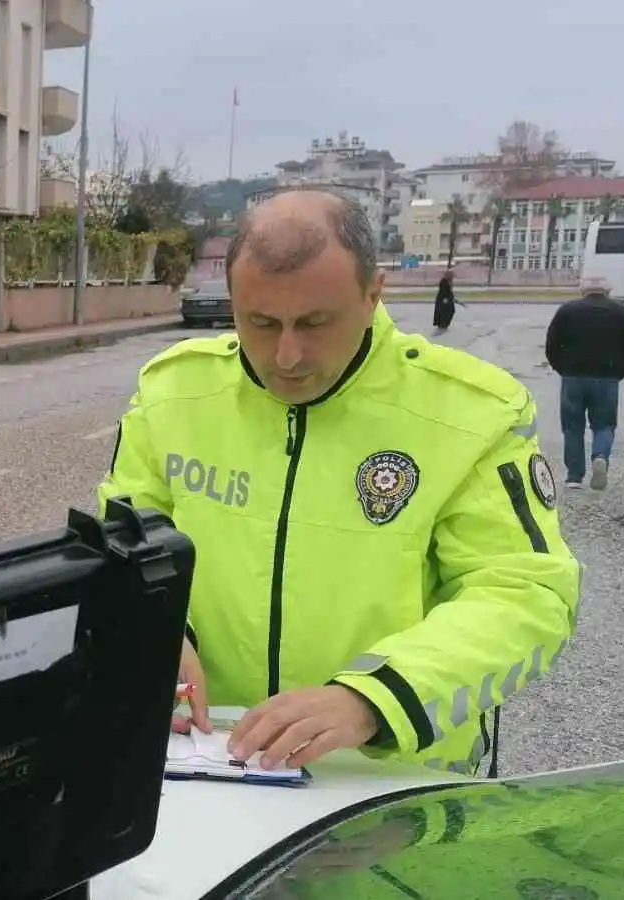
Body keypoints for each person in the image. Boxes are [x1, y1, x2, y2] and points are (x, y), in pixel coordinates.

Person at [95, 189, 580, 776]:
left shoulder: (472, 413)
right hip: (206, 758)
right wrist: (156, 632)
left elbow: (525, 594)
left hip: (387, 776)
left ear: (374, 292)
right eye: (261, 322)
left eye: (316, 323)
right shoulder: (174, 392)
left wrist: (373, 697)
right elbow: (128, 542)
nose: (288, 356)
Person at [544, 275, 624, 490]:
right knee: (604, 425)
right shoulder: (622, 312)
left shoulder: (567, 310)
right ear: (608, 291)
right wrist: (620, 372)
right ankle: (600, 457)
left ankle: (574, 477)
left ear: (582, 290)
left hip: (573, 377)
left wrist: (563, 368)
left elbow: (552, 344)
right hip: (607, 377)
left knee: (572, 427)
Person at [431, 268, 457, 332]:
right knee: (444, 312)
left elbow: (449, 291)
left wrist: (452, 298)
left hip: (448, 299)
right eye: (451, 275)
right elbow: (443, 291)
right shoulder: (444, 281)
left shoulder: (449, 281)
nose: (453, 276)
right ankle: (442, 324)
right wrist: (445, 300)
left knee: (450, 311)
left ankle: (445, 324)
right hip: (443, 299)